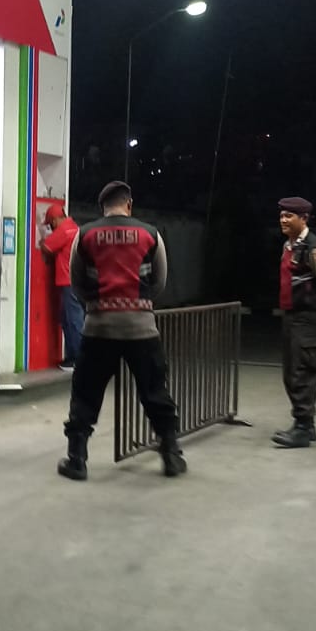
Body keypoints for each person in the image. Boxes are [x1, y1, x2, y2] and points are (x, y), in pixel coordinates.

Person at [58, 181, 185, 481]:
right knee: (154, 391)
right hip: (141, 329)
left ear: (103, 207)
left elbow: (76, 281)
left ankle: (77, 460)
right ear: (129, 204)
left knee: (86, 393)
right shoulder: (150, 234)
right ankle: (171, 455)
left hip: (98, 328)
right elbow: (159, 281)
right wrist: (139, 304)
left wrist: (96, 304)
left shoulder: (85, 234)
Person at [271, 197, 316, 449]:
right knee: (291, 371)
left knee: (302, 369)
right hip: (293, 315)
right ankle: (307, 425)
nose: (283, 220)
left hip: (310, 316)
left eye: (289, 216)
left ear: (304, 218)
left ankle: (302, 428)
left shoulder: (314, 249)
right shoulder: (290, 245)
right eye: (281, 215)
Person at [40, 203, 83, 370]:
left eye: (50, 224)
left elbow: (46, 247)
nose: (51, 228)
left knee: (72, 320)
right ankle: (74, 357)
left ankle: (77, 359)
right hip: (76, 280)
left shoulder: (64, 230)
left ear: (55, 220)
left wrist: (42, 239)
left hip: (68, 282)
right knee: (70, 319)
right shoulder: (74, 227)